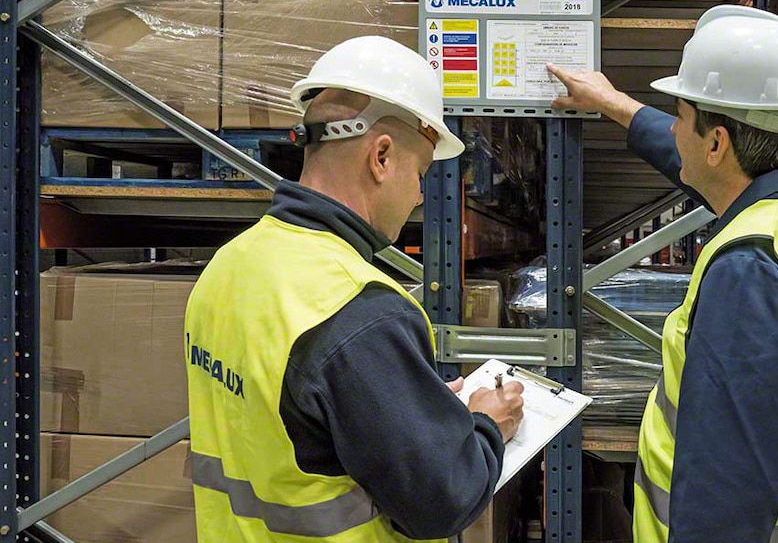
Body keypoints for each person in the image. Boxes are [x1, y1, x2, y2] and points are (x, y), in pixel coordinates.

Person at [549, 5, 778, 543]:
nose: (673, 129)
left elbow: (723, 504)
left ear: (718, 144)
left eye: (679, 116)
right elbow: (696, 166)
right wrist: (613, 104)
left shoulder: (750, 280)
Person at [184, 35, 525, 543]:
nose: (416, 196)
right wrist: (485, 424)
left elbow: (296, 426)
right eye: (421, 173)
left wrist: (415, 410)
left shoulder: (230, 265)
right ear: (382, 156)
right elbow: (442, 500)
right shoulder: (360, 310)